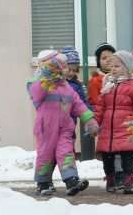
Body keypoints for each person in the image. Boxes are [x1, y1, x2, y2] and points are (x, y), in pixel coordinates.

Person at [29, 50, 98, 196]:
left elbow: (78, 104)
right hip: (46, 128)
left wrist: (89, 120)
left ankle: (71, 181)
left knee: (66, 153)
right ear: (55, 68)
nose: (67, 70)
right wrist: (45, 77)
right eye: (64, 67)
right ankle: (43, 183)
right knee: (45, 155)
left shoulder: (67, 88)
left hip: (65, 128)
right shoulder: (42, 85)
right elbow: (35, 94)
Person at [94, 50, 133, 195]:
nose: (113, 69)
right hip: (108, 129)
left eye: (117, 66)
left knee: (126, 155)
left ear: (127, 68)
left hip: (126, 128)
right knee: (107, 156)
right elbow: (100, 106)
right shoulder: (107, 85)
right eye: (112, 66)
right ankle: (110, 180)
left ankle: (128, 181)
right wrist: (95, 122)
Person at [87, 42, 116, 108]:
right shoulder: (95, 81)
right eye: (104, 58)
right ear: (98, 62)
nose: (108, 60)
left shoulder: (120, 78)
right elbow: (96, 102)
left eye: (111, 57)